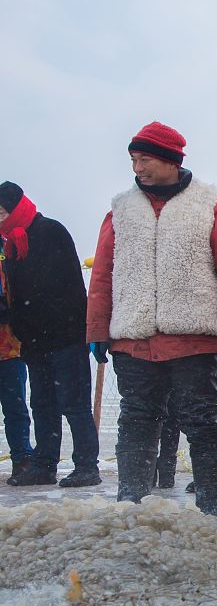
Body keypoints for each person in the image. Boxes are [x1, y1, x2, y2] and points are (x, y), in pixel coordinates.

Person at [85, 122, 217, 513]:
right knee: (137, 422)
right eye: (133, 160)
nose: (137, 168)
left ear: (170, 161)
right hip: (134, 338)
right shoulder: (120, 210)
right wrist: (97, 328)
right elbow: (103, 274)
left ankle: (214, 503)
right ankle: (131, 500)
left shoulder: (210, 205)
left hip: (194, 338)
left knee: (206, 422)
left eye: (144, 159)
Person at [0, 182, 98, 488]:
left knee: (74, 402)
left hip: (64, 335)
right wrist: (20, 325)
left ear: (16, 208)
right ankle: (43, 464)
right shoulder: (12, 244)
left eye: (2, 212)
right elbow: (16, 292)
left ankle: (86, 465)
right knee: (41, 403)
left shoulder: (50, 231)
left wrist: (54, 324)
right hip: (33, 340)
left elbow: (65, 286)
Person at [0, 258, 32, 481]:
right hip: (11, 348)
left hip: (10, 348)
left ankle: (22, 460)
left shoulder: (11, 252)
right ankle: (22, 458)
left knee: (16, 408)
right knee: (16, 409)